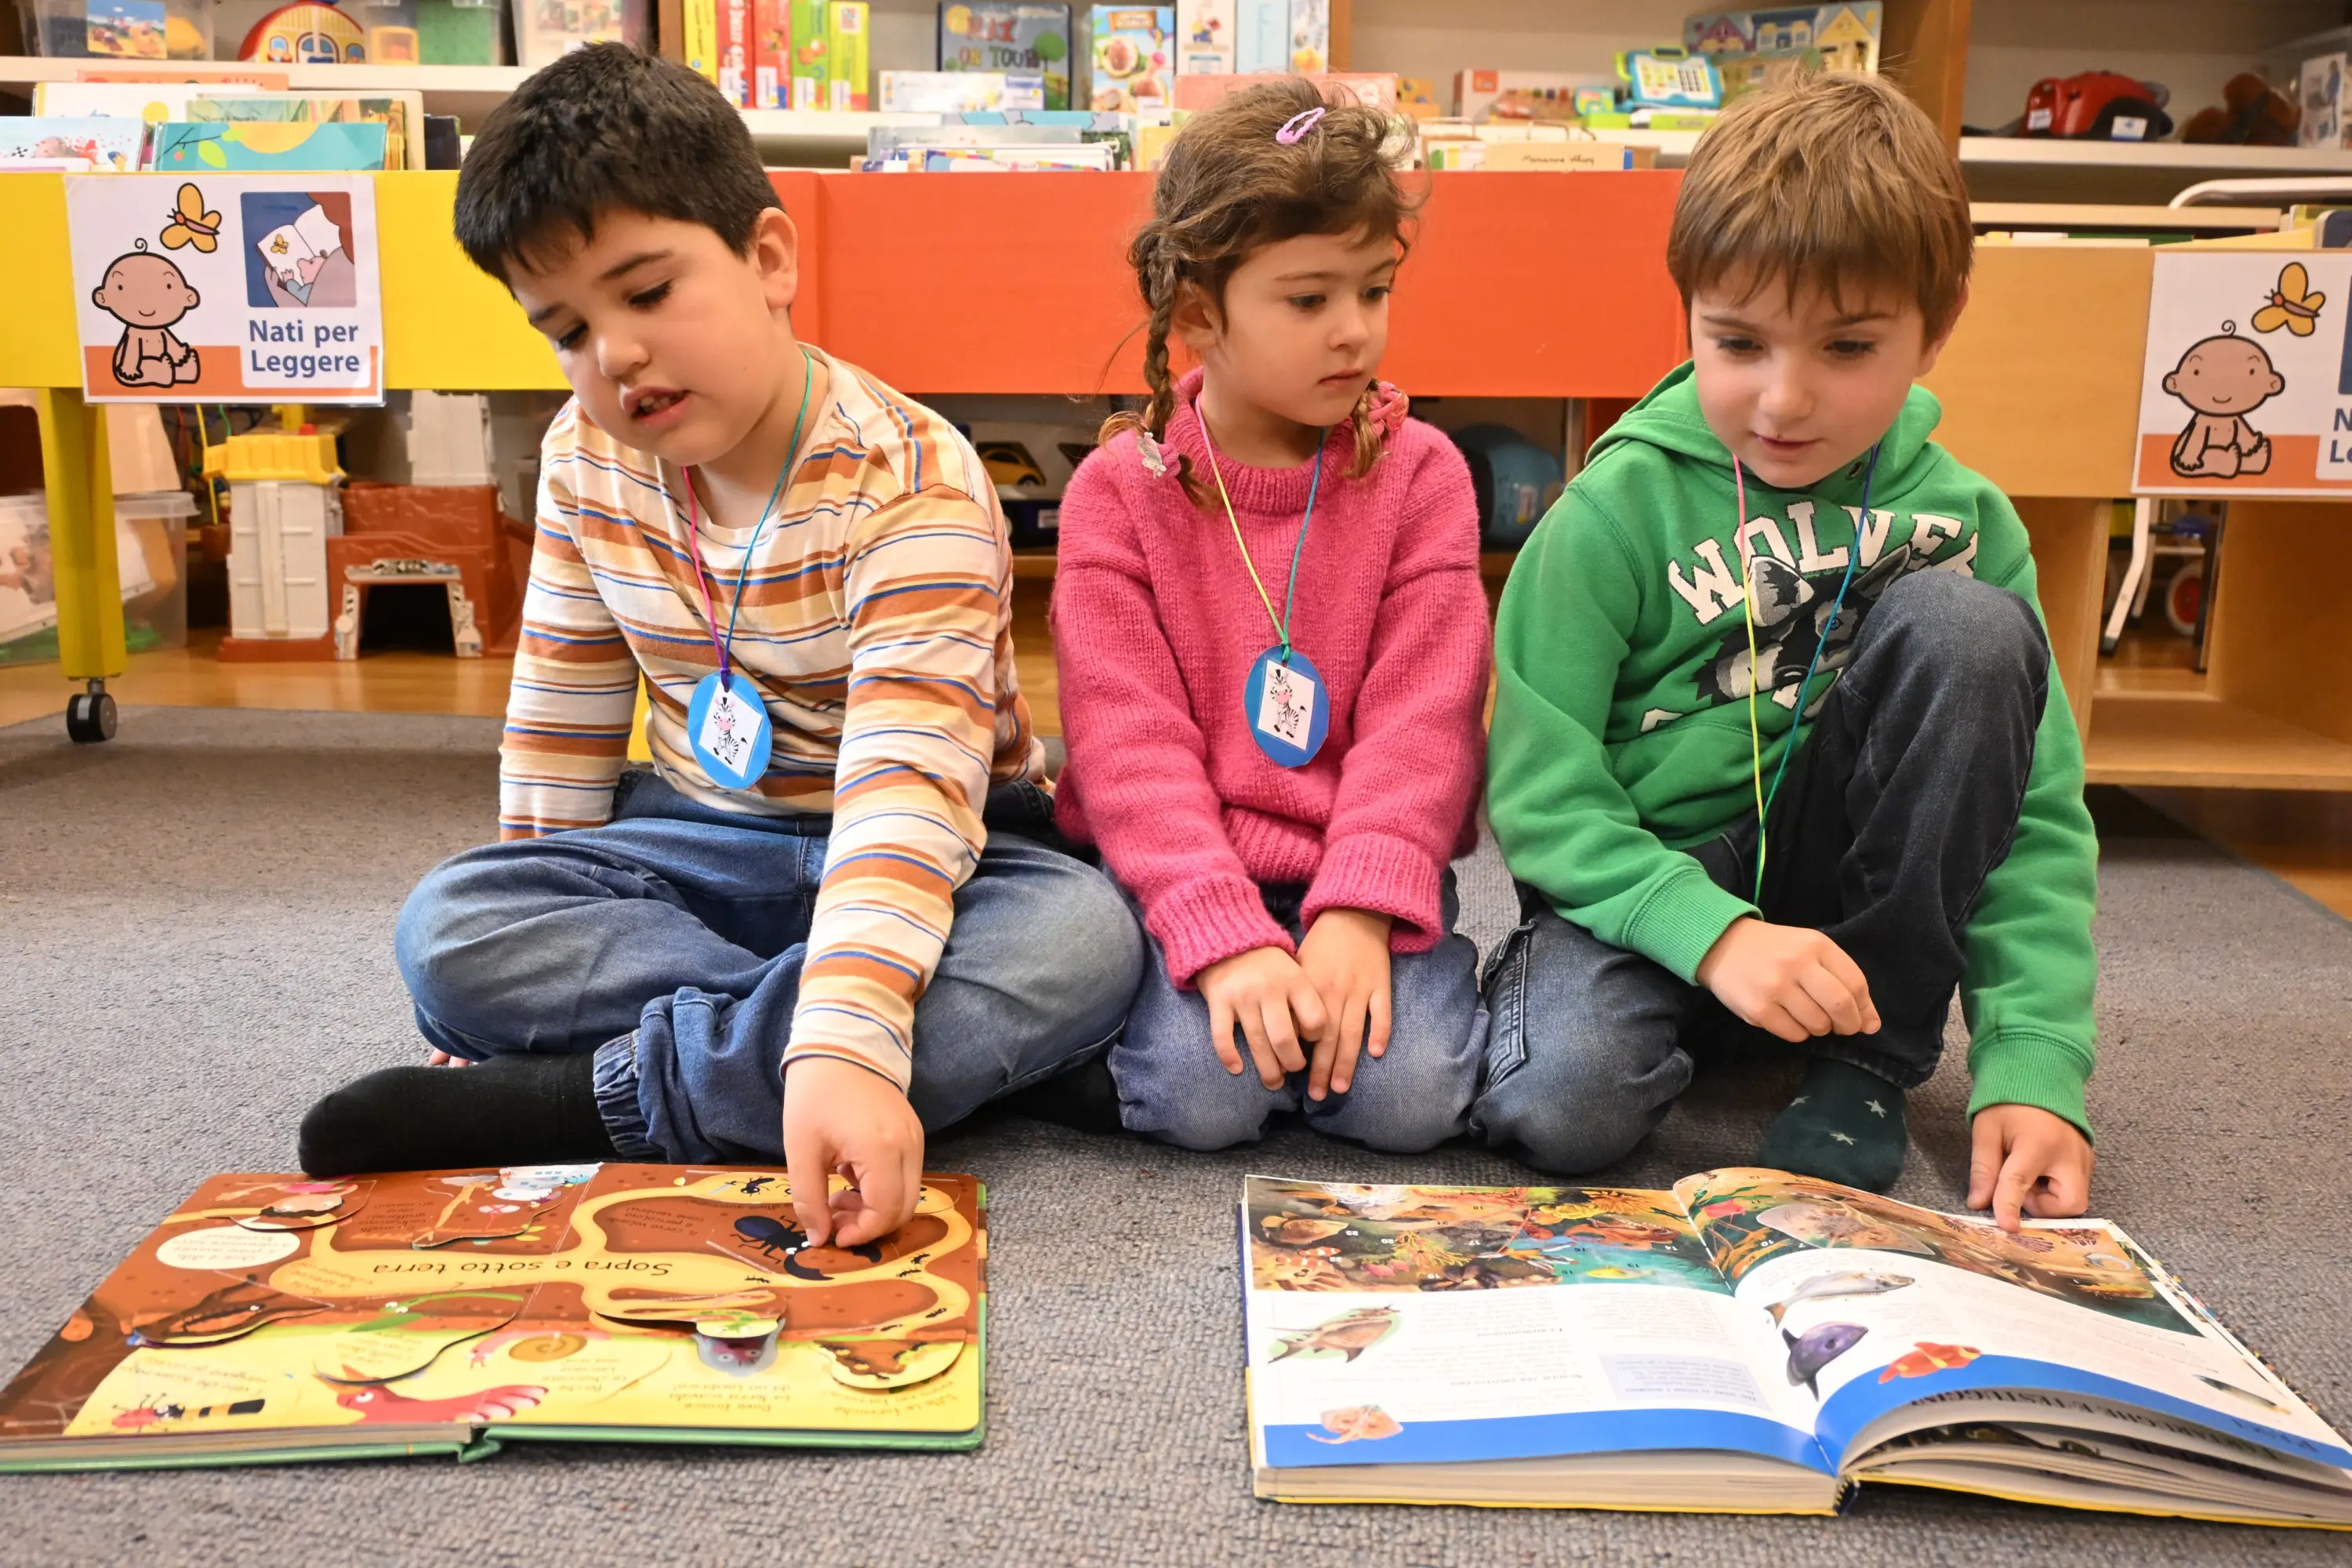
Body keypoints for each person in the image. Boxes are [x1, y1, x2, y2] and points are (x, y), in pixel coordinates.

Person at [296, 46, 1143, 1247]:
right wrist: (547, 904)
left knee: (1082, 945)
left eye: (645, 294)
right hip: (703, 844)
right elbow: (560, 730)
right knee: (451, 931)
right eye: (566, 329)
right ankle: (871, 1054)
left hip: (941, 848)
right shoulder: (586, 463)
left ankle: (609, 1093)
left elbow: (910, 789)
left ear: (768, 259)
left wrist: (843, 1017)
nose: (616, 354)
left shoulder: (912, 477)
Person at [1477, 72, 2100, 1229]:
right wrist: (1712, 939)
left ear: (1939, 326)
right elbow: (1542, 792)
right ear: (1689, 314)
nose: (1785, 398)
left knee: (1970, 629)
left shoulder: (1970, 524)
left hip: (1853, 886)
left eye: (1849, 346)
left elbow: (2034, 812)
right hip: (1655, 881)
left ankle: (1865, 1059)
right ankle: (1723, 1016)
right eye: (1738, 342)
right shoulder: (1610, 512)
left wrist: (2035, 1058)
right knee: (1555, 1104)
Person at [1048, 79, 1491, 1153]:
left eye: (1375, 291)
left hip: (1362, 872)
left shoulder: (1423, 474)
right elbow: (1128, 747)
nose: (1355, 332)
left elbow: (1424, 722)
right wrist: (1222, 935)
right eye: (1309, 300)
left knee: (1412, 1100)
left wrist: (1359, 911)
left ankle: (1322, 1002)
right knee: (1202, 1095)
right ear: (1199, 314)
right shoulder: (1117, 493)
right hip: (1189, 867)